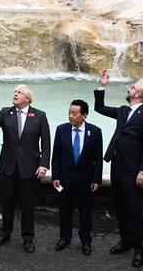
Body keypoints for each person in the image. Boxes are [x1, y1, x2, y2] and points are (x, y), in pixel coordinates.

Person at [94, 69, 143, 268]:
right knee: (120, 206)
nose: (129, 90)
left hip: (133, 170)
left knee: (133, 209)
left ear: (138, 94)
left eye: (131, 88)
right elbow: (99, 108)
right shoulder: (123, 110)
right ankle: (125, 241)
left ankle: (138, 249)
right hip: (116, 164)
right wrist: (102, 85)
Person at [0, 84, 51, 253]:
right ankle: (5, 233)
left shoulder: (40, 115)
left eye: (19, 92)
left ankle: (28, 238)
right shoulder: (6, 112)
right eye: (14, 92)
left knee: (28, 206)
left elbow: (47, 143)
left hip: (29, 169)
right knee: (6, 203)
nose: (15, 94)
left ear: (27, 98)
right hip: (8, 167)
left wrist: (44, 164)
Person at [51, 99, 103, 256]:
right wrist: (55, 176)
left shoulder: (95, 131)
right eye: (69, 112)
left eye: (74, 113)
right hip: (65, 179)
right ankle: (64, 238)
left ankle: (86, 241)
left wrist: (96, 179)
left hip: (85, 180)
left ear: (84, 115)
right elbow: (56, 157)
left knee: (85, 212)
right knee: (64, 210)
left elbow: (98, 158)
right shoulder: (61, 130)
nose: (70, 116)